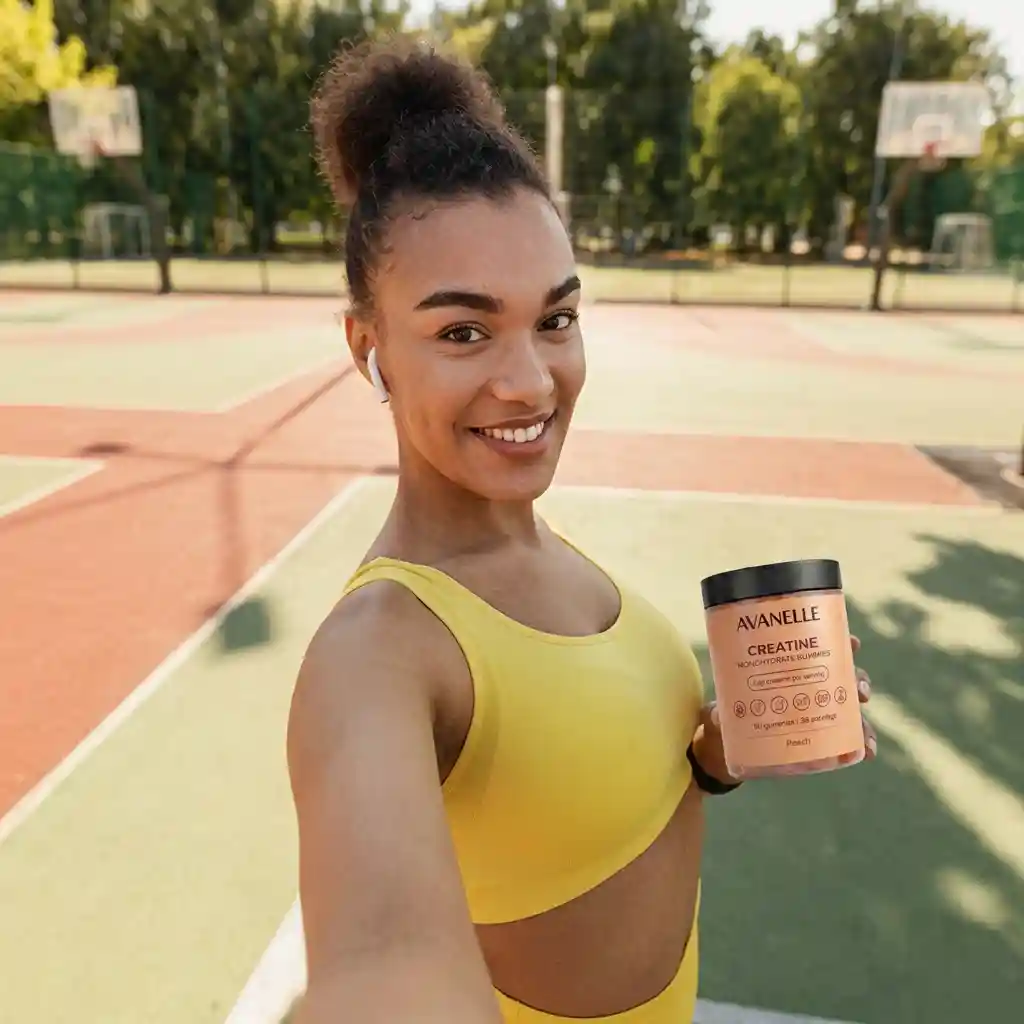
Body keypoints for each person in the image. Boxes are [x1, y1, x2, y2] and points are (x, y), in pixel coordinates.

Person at [286, 35, 877, 1024]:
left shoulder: (544, 548)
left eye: (554, 319)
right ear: (367, 345)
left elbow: (563, 794)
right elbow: (381, 967)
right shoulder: (375, 654)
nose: (529, 379)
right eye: (463, 331)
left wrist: (709, 756)